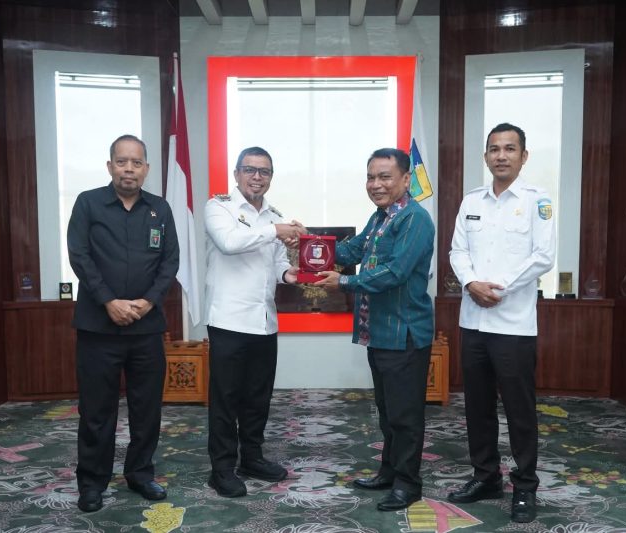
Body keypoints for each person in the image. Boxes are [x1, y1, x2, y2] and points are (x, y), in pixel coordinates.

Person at [447, 123, 556, 523]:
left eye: (510, 149)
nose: (501, 156)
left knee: (519, 410)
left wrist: (499, 288)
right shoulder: (471, 200)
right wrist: (472, 283)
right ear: (486, 156)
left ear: (523, 156)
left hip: (512, 325)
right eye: (494, 149)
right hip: (473, 321)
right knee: (477, 407)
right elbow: (457, 250)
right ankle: (486, 476)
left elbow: (543, 257)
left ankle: (525, 485)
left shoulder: (536, 200)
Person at [316, 148, 435, 512]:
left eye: (385, 176)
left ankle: (408, 483)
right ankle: (389, 471)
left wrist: (345, 282)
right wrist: (311, 245)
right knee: (387, 412)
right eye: (371, 177)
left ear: (404, 179)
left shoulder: (415, 219)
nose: (376, 184)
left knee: (405, 415)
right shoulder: (381, 217)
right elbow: (353, 249)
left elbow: (395, 272)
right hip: (379, 333)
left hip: (405, 334)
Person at [67, 134, 180, 512]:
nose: (129, 168)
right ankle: (92, 482)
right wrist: (108, 301)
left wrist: (148, 302)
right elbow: (79, 256)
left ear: (146, 168)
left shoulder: (160, 209)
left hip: (146, 328)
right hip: (99, 328)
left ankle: (140, 473)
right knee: (97, 410)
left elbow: (170, 262)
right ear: (110, 166)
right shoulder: (88, 203)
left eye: (136, 162)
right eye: (121, 161)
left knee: (147, 407)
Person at [204, 146, 306, 498]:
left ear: (271, 177)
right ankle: (221, 468)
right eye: (250, 170)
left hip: (264, 323)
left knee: (257, 398)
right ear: (236, 174)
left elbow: (277, 263)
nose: (257, 177)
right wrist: (275, 230)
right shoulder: (219, 207)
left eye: (264, 171)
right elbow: (230, 243)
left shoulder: (273, 215)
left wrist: (291, 275)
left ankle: (252, 458)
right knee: (225, 399)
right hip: (229, 321)